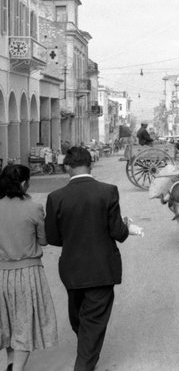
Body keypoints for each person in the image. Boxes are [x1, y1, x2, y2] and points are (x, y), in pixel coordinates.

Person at [45, 147, 141, 371]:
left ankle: (86, 357)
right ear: (91, 164)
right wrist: (126, 227)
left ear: (67, 167)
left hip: (72, 270)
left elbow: (52, 237)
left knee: (79, 318)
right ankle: (85, 362)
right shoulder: (108, 191)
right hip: (101, 268)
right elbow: (117, 232)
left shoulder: (56, 197)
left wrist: (72, 238)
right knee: (93, 321)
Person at [0, 165, 58, 371]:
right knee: (24, 324)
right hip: (27, 273)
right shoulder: (33, 207)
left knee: (6, 323)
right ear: (24, 184)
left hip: (1, 273)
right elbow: (43, 241)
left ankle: (8, 364)